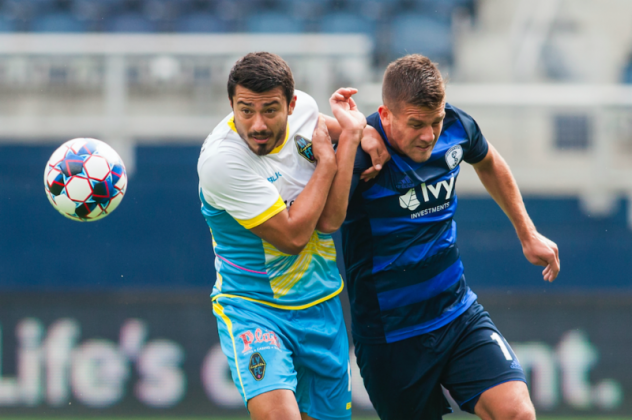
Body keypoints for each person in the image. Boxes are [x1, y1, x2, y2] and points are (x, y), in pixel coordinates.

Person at [325, 54, 561, 419]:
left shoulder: (456, 126)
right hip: (391, 337)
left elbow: (489, 162)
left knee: (518, 413)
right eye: (416, 124)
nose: (429, 135)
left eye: (434, 121)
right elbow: (326, 218)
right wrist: (351, 135)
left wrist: (527, 233)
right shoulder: (360, 156)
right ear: (385, 115)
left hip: (457, 315)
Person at [197, 52, 368, 420]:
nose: (256, 124)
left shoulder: (305, 110)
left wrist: (360, 135)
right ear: (231, 105)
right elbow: (292, 237)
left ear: (291, 105)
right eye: (245, 110)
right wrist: (327, 164)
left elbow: (330, 220)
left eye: (270, 111)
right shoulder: (221, 162)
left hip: (320, 304)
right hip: (254, 308)